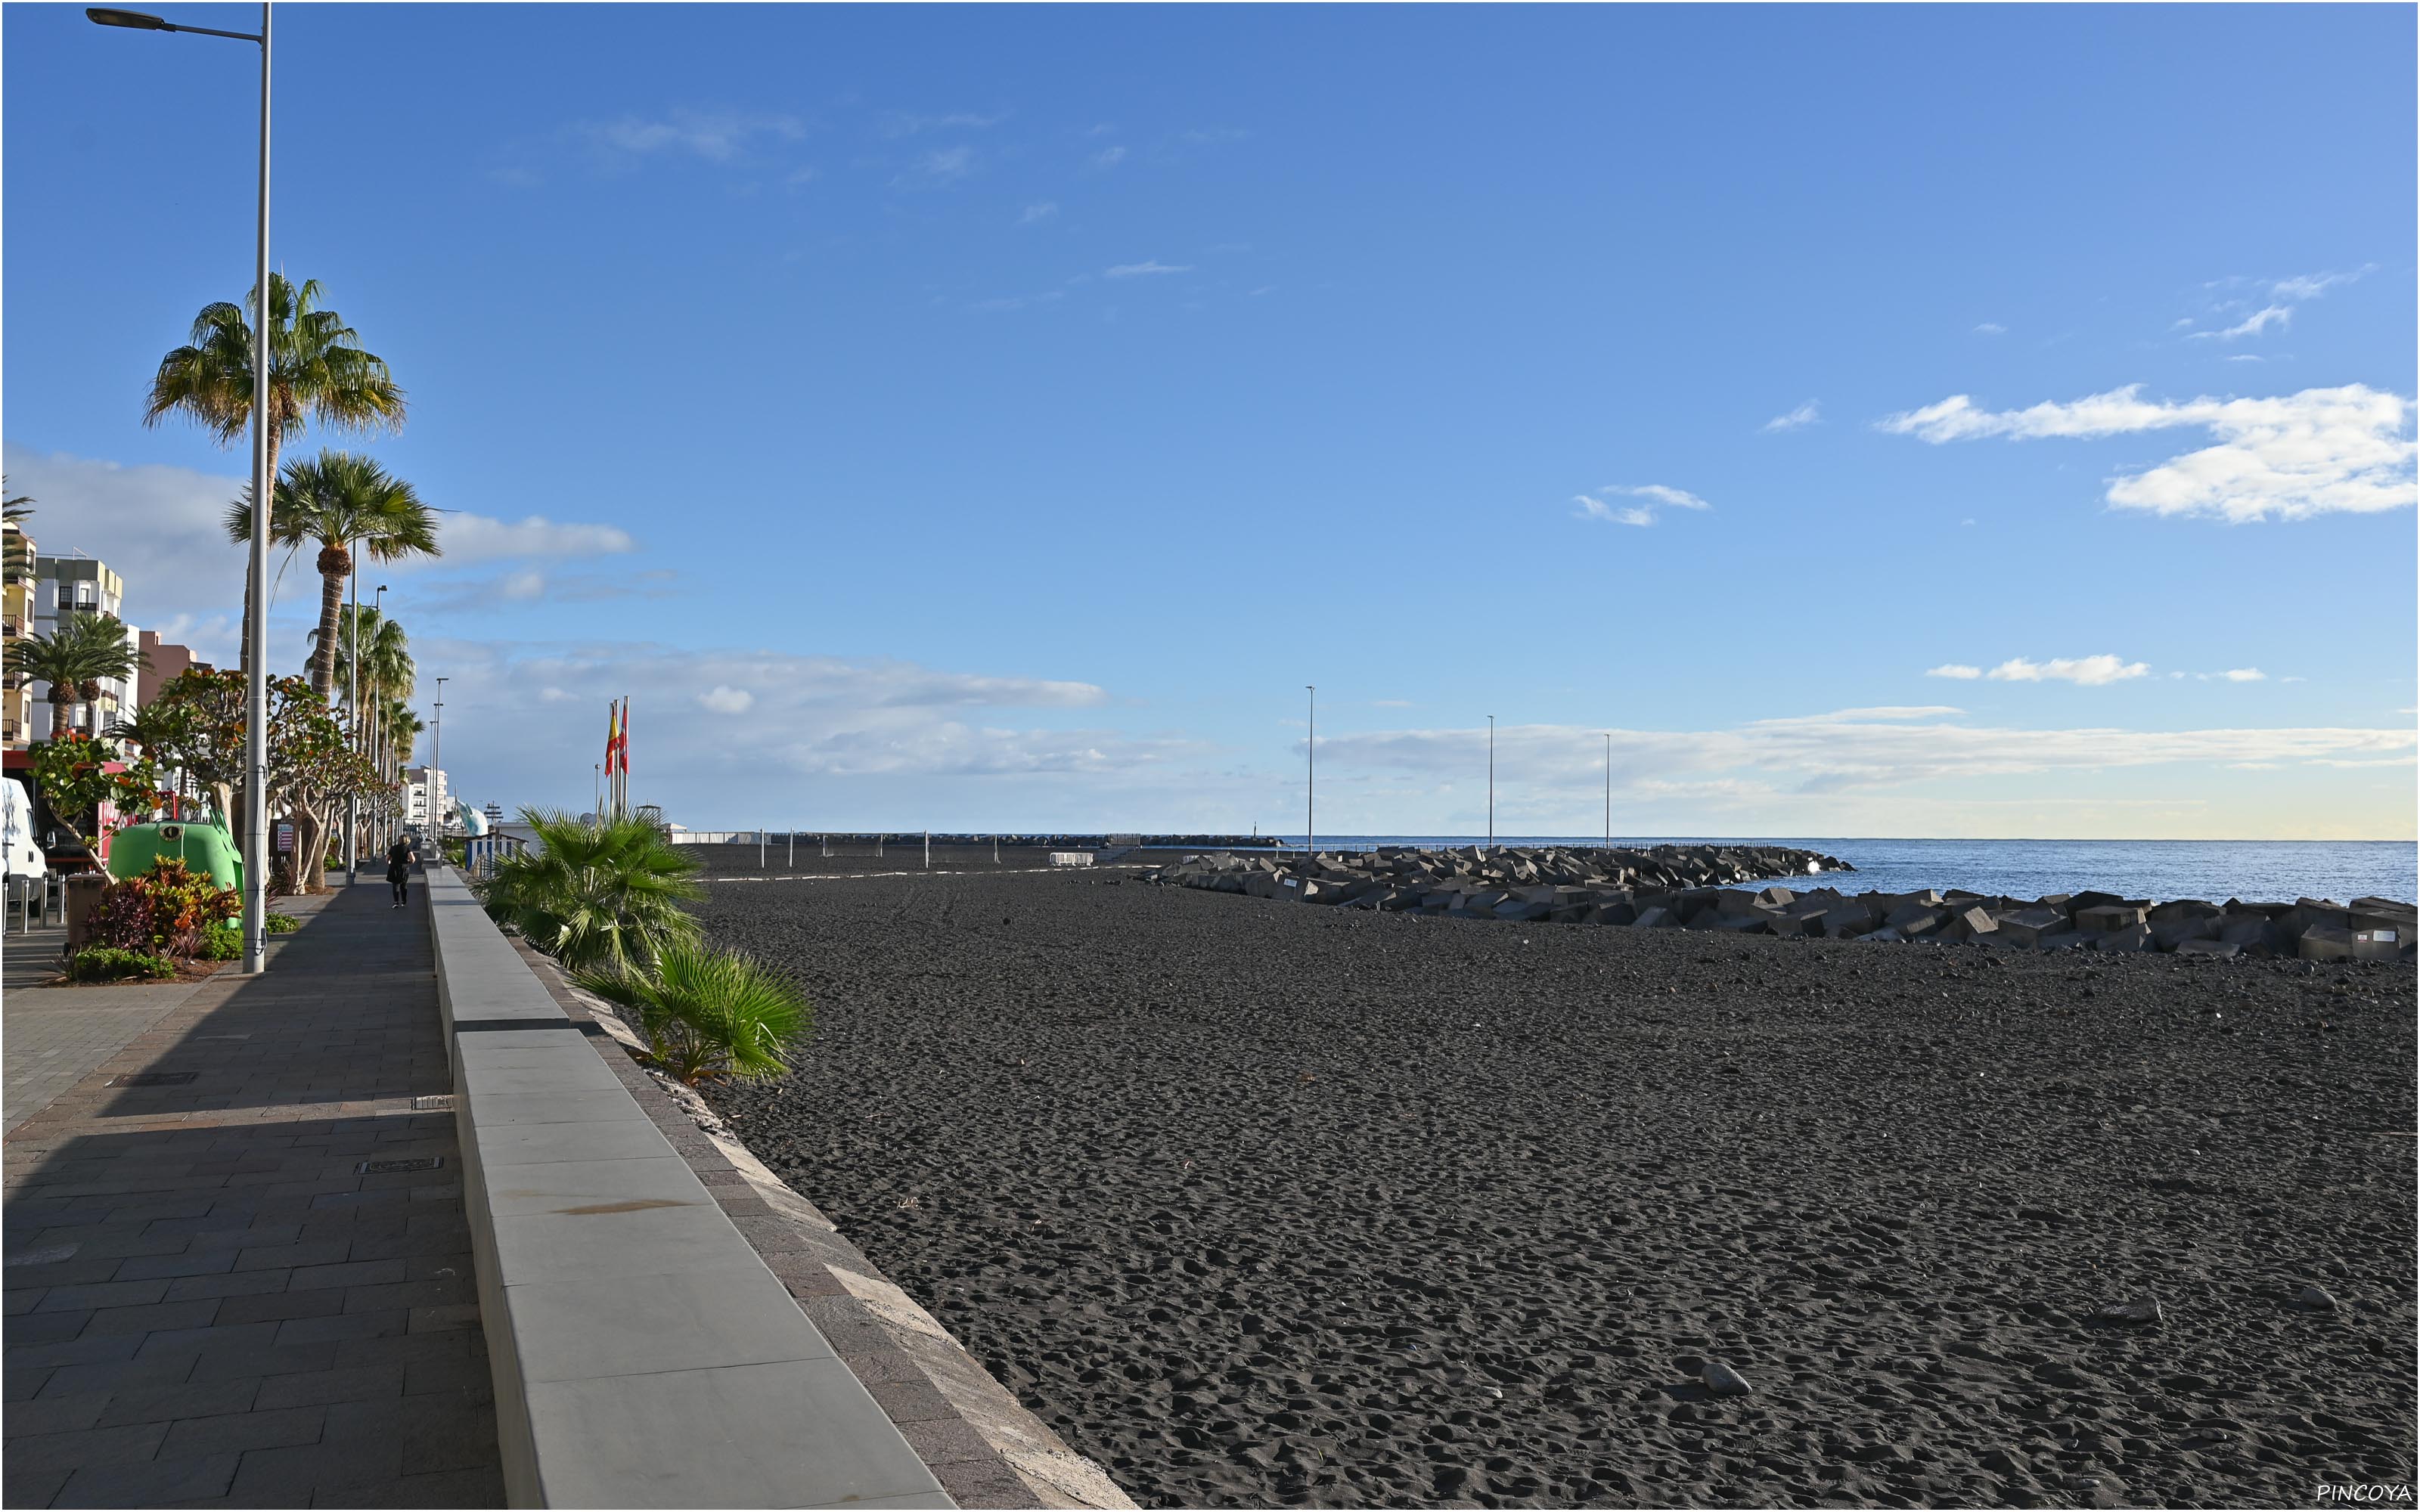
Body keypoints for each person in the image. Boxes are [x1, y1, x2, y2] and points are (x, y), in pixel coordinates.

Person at [386, 834, 415, 908]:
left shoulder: (393, 848)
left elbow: (387, 859)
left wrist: (390, 864)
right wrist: (408, 863)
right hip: (404, 868)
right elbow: (413, 859)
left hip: (394, 868)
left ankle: (396, 902)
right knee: (404, 884)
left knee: (395, 885)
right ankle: (404, 902)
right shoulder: (407, 848)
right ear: (407, 840)